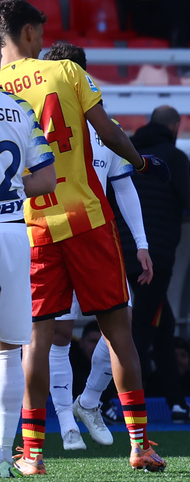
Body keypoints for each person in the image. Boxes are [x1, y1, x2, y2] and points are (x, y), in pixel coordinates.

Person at [0, 0, 170, 475]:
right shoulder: (67, 73)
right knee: (119, 333)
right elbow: (109, 132)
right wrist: (140, 162)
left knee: (33, 341)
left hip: (29, 227)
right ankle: (139, 444)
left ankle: (32, 454)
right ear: (32, 32)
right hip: (87, 220)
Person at [39, 42, 155, 450]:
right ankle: (67, 422)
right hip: (49, 233)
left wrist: (141, 242)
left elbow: (123, 188)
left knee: (121, 324)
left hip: (93, 233)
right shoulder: (33, 121)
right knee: (56, 331)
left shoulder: (107, 125)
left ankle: (88, 401)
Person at [0, 78, 55, 476]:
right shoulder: (19, 108)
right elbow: (47, 179)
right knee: (7, 350)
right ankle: (3, 457)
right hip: (14, 233)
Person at [125, 104, 190, 420]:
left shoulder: (126, 153)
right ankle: (108, 401)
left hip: (124, 250)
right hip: (156, 256)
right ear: (175, 127)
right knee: (142, 329)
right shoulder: (175, 158)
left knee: (161, 325)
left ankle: (176, 403)